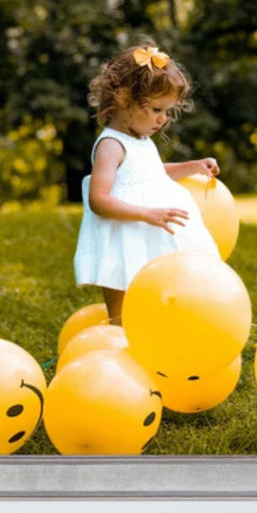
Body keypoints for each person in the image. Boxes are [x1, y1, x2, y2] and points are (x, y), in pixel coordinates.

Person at [73, 41, 220, 325]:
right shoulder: (111, 145)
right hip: (124, 234)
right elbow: (98, 199)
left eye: (166, 111)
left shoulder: (141, 141)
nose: (163, 119)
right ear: (124, 99)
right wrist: (147, 214)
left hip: (149, 233)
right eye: (156, 109)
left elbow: (151, 173)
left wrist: (193, 167)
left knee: (158, 299)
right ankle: (117, 337)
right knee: (123, 312)